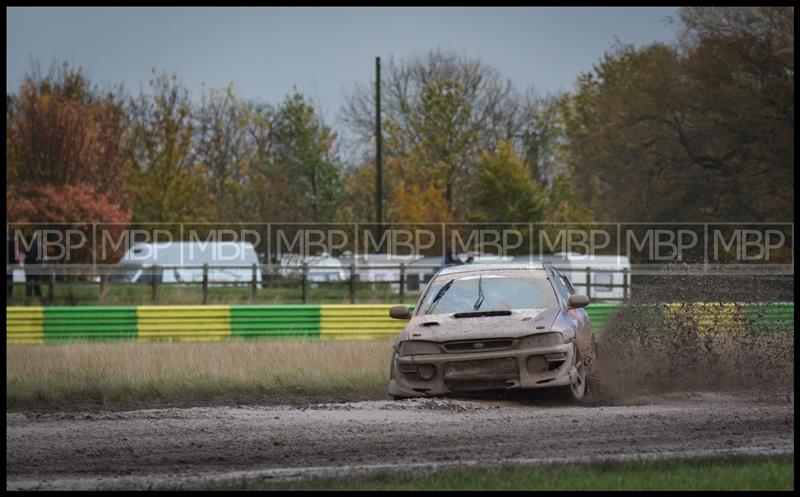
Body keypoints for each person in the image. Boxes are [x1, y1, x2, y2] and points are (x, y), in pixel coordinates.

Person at [25, 236, 43, 300]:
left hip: (31, 267)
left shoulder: (29, 246)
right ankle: (38, 295)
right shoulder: (38, 246)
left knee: (29, 283)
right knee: (36, 282)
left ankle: (29, 296)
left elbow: (27, 257)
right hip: (35, 267)